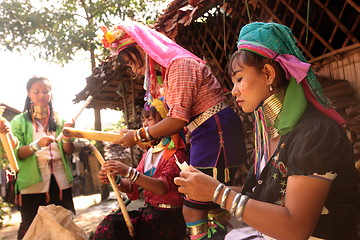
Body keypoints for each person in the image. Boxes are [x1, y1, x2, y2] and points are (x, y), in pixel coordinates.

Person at [174, 22, 359, 240]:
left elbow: (296, 228)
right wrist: (208, 187)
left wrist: (218, 193)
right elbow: (266, 196)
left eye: (240, 79)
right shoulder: (270, 134)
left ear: (269, 74)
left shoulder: (315, 133)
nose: (233, 91)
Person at [100, 21, 247, 239]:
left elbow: (177, 119)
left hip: (215, 130)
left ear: (142, 48)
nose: (133, 69)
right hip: (205, 131)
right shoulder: (169, 72)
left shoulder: (179, 65)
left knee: (194, 205)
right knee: (211, 201)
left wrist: (139, 135)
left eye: (132, 62)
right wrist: (140, 135)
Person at [91, 99, 188, 240]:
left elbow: (162, 188)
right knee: (110, 224)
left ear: (165, 124)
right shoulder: (149, 154)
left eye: (149, 119)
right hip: (151, 214)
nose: (144, 124)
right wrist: (116, 179)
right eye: (144, 119)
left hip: (168, 219)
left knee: (113, 226)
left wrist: (129, 172)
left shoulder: (176, 154)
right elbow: (132, 188)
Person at [10, 76, 76, 239]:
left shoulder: (60, 119)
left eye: (46, 91)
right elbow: (16, 153)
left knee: (64, 229)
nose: (41, 95)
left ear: (51, 93)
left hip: (60, 183)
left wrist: (68, 135)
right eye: (36, 91)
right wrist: (36, 145)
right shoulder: (19, 122)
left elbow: (69, 150)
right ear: (28, 94)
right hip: (32, 184)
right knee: (35, 230)